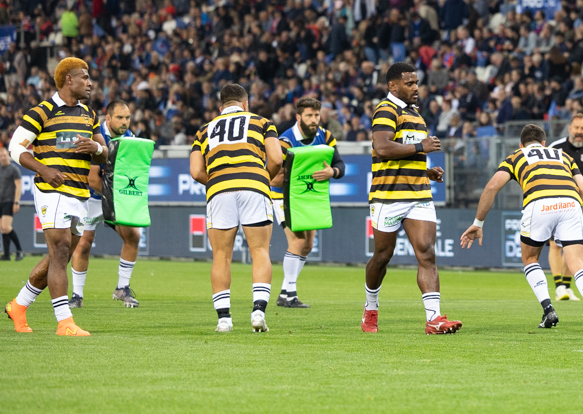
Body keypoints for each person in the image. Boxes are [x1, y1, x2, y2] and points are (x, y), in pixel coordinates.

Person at [461, 124, 583, 331]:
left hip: (539, 202)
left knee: (530, 258)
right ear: (544, 143)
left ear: (521, 144)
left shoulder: (517, 156)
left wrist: (478, 223)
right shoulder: (563, 156)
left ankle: (548, 310)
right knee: (577, 262)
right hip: (571, 203)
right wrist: (581, 223)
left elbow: (491, 187)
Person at [4, 58, 108, 335]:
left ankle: (19, 305)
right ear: (68, 80)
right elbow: (16, 147)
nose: (89, 83)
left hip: (80, 192)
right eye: (84, 77)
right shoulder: (42, 111)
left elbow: (106, 151)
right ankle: (65, 322)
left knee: (58, 256)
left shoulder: (89, 114)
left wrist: (96, 148)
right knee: (61, 250)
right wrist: (43, 169)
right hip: (52, 188)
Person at [363, 63, 461, 335]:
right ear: (393, 86)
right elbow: (382, 148)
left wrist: (426, 170)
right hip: (388, 196)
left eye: (417, 82)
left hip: (418, 193)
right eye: (409, 83)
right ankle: (371, 307)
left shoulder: (416, 114)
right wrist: (421, 147)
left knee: (427, 252)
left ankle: (434, 318)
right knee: (382, 256)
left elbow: (406, 153)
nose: (416, 87)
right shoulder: (385, 110)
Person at [190, 83, 284, 333]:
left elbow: (196, 171)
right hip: (254, 185)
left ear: (220, 107)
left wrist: (219, 181)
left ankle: (224, 319)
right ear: (245, 104)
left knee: (221, 255)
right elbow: (276, 159)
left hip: (219, 190)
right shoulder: (263, 123)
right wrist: (262, 178)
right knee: (260, 250)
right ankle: (258, 312)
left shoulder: (203, 130)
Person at [272, 96, 345, 309]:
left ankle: (285, 292)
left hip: (308, 194)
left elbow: (339, 163)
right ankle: (290, 295)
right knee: (297, 241)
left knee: (308, 244)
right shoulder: (285, 141)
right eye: (309, 115)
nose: (314, 120)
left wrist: (332, 171)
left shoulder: (326, 136)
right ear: (298, 117)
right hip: (282, 195)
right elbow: (276, 173)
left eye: (316, 115)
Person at [71, 100, 143, 308]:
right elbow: (93, 180)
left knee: (133, 236)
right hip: (91, 197)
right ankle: (77, 296)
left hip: (114, 196)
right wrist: (117, 197)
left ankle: (122, 288)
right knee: (84, 243)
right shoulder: (96, 136)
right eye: (120, 117)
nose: (125, 122)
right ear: (108, 118)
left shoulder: (131, 139)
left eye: (127, 117)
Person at [547, 112, 583, 302]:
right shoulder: (555, 148)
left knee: (572, 245)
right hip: (554, 201)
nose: (579, 132)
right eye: (576, 128)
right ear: (569, 128)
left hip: (576, 205)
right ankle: (559, 287)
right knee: (554, 244)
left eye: (582, 128)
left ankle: (566, 288)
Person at [0, 146, 23, 260]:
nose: (3, 158)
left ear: (8, 156)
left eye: (4, 155)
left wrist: (16, 202)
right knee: (2, 228)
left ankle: (19, 250)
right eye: (0, 156)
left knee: (6, 227)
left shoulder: (14, 169)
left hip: (9, 200)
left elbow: (18, 186)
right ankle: (6, 255)